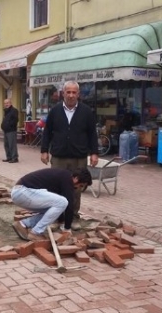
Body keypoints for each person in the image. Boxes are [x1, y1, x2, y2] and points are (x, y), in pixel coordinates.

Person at [40, 80, 99, 230]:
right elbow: (47, 132)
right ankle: (56, 218)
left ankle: (73, 217)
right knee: (55, 188)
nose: (71, 95)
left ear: (78, 94)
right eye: (68, 92)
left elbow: (92, 133)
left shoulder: (86, 112)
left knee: (76, 189)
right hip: (59, 156)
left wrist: (94, 153)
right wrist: (44, 150)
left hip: (78, 157)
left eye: (74, 92)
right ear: (63, 93)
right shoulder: (55, 111)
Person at [11, 168, 93, 241]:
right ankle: (36, 232)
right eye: (81, 185)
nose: (78, 188)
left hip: (22, 193)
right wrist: (67, 228)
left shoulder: (63, 177)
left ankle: (23, 224)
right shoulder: (67, 178)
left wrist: (61, 221)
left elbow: (58, 209)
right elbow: (69, 205)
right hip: (23, 192)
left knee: (54, 212)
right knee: (63, 202)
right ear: (76, 178)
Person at [1, 98, 19, 163]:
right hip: (5, 130)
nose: (6, 104)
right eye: (5, 103)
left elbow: (15, 120)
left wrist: (9, 126)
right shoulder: (6, 111)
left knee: (12, 144)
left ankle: (14, 158)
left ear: (10, 103)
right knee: (6, 144)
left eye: (7, 103)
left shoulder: (14, 110)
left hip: (11, 130)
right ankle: (9, 157)